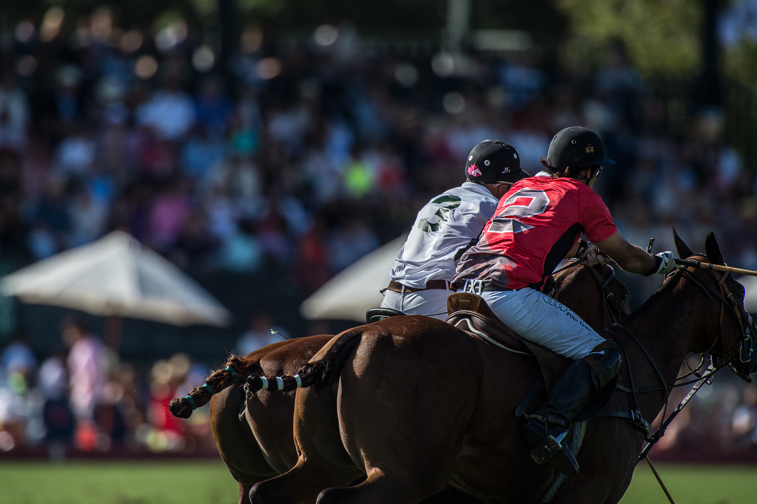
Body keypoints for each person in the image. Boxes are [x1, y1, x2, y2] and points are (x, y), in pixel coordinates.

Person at [452, 126, 676, 475]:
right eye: (596, 171)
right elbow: (629, 259)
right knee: (605, 353)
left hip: (462, 291)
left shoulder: (521, 187)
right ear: (585, 171)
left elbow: (546, 233)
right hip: (507, 294)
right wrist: (661, 263)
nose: (596, 177)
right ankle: (549, 423)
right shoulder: (582, 196)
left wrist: (583, 250)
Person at [379, 140, 529, 320]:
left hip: (390, 297)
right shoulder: (492, 206)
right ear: (501, 185)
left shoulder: (437, 199)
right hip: (432, 301)